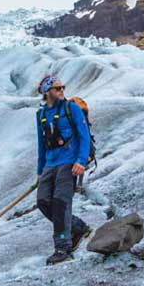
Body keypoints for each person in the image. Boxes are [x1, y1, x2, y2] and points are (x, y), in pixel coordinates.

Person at [36, 75, 93, 265]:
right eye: (57, 88)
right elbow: (41, 144)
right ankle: (77, 226)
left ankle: (62, 248)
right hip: (50, 164)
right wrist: (40, 170)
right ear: (47, 92)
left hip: (69, 162)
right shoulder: (41, 114)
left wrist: (81, 161)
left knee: (61, 203)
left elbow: (84, 135)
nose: (62, 91)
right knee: (43, 201)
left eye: (62, 87)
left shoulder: (71, 108)